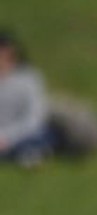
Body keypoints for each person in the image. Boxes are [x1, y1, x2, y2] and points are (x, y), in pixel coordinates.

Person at [0, 30, 52, 166]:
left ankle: (28, 153)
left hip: (22, 133)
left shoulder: (29, 79)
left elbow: (34, 117)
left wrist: (7, 137)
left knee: (41, 135)